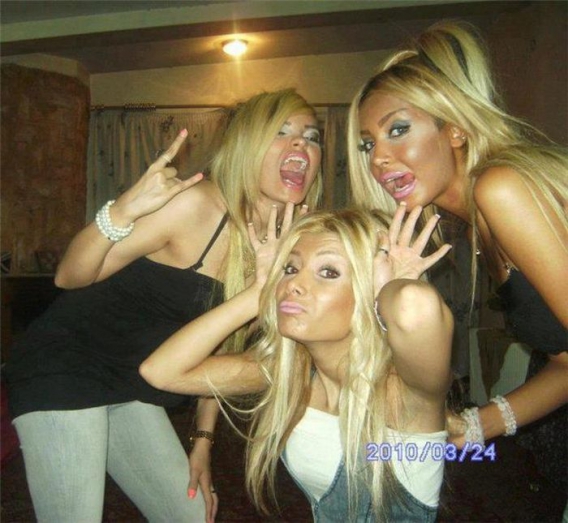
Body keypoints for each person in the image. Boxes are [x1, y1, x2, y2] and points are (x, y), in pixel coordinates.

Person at [3, 88, 322, 523]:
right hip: (67, 364)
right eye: (281, 131)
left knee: (188, 515)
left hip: (135, 380)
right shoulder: (197, 205)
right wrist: (123, 210)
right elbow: (69, 276)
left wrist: (203, 442)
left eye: (312, 136)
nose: (301, 143)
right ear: (246, 145)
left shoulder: (287, 239)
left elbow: (221, 347)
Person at [346, 20, 568, 494]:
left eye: (397, 130)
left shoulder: (501, 188)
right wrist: (477, 425)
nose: (377, 159)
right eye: (368, 144)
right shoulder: (472, 224)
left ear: (456, 129)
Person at [140, 205, 454, 522]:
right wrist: (260, 292)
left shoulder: (404, 391)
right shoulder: (292, 374)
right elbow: (161, 371)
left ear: (368, 287)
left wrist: (384, 293)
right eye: (290, 268)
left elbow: (414, 306)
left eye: (328, 272)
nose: (293, 284)